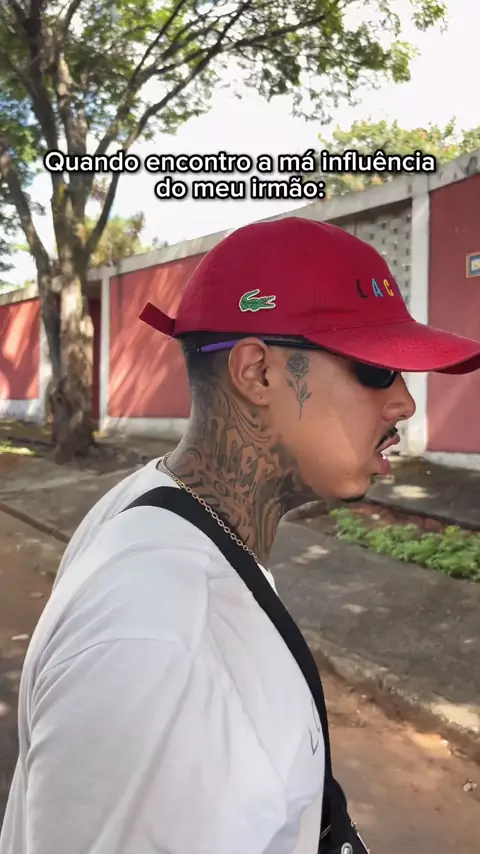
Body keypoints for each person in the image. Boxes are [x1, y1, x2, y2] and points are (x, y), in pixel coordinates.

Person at [2, 217, 480, 854]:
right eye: (374, 369)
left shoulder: (163, 507)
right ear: (256, 373)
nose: (405, 403)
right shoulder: (160, 642)